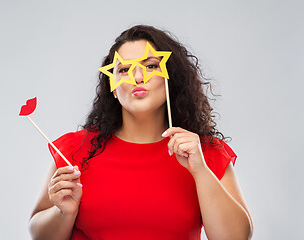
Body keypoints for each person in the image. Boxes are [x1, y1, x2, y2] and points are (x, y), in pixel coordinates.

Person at [29, 25, 253, 240]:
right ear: (113, 88)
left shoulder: (205, 153)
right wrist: (63, 213)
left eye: (151, 66)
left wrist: (201, 171)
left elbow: (237, 237)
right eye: (124, 70)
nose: (138, 77)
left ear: (170, 78)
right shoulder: (74, 151)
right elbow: (39, 234)